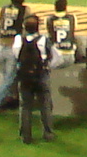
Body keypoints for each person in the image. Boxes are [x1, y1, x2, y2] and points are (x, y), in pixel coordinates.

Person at [14, 12, 57, 144]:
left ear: (24, 26)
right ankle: (48, 133)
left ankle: (26, 136)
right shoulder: (44, 40)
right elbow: (54, 56)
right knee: (45, 105)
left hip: (24, 77)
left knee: (25, 107)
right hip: (41, 75)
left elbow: (16, 56)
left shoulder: (18, 40)